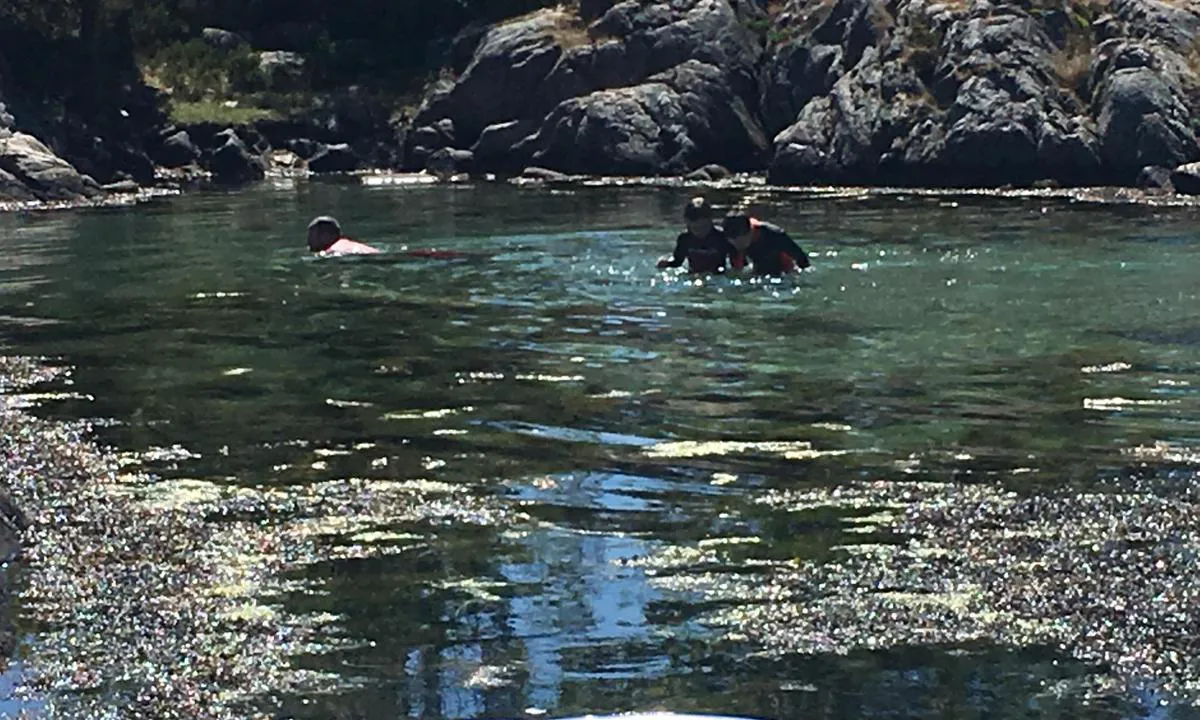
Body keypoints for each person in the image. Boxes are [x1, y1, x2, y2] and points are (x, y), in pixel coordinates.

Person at [656, 197, 736, 274]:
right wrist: (666, 264)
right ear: (687, 222)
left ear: (711, 220)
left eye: (704, 227)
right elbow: (677, 262)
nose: (700, 232)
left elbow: (737, 260)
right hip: (693, 275)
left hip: (718, 276)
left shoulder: (722, 237)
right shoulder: (684, 239)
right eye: (695, 228)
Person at [722, 212, 811, 275]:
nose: (738, 246)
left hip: (781, 264)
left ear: (750, 232)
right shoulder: (729, 240)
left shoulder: (774, 234)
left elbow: (802, 258)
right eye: (734, 242)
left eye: (741, 242)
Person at [306, 216, 381, 256]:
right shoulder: (346, 244)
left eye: (312, 235)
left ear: (325, 235)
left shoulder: (332, 251)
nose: (309, 241)